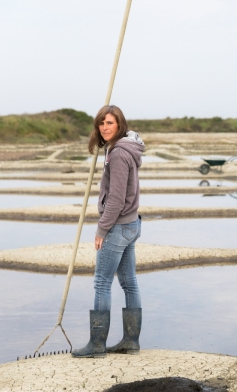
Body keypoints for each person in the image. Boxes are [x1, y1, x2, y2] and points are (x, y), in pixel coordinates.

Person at [72, 105, 145, 358]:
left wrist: (102, 229)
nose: (104, 127)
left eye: (110, 123)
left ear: (120, 125)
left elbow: (115, 200)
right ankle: (131, 341)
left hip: (118, 226)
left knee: (102, 282)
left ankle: (97, 345)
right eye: (101, 123)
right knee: (129, 283)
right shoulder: (124, 149)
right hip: (131, 225)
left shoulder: (118, 155)